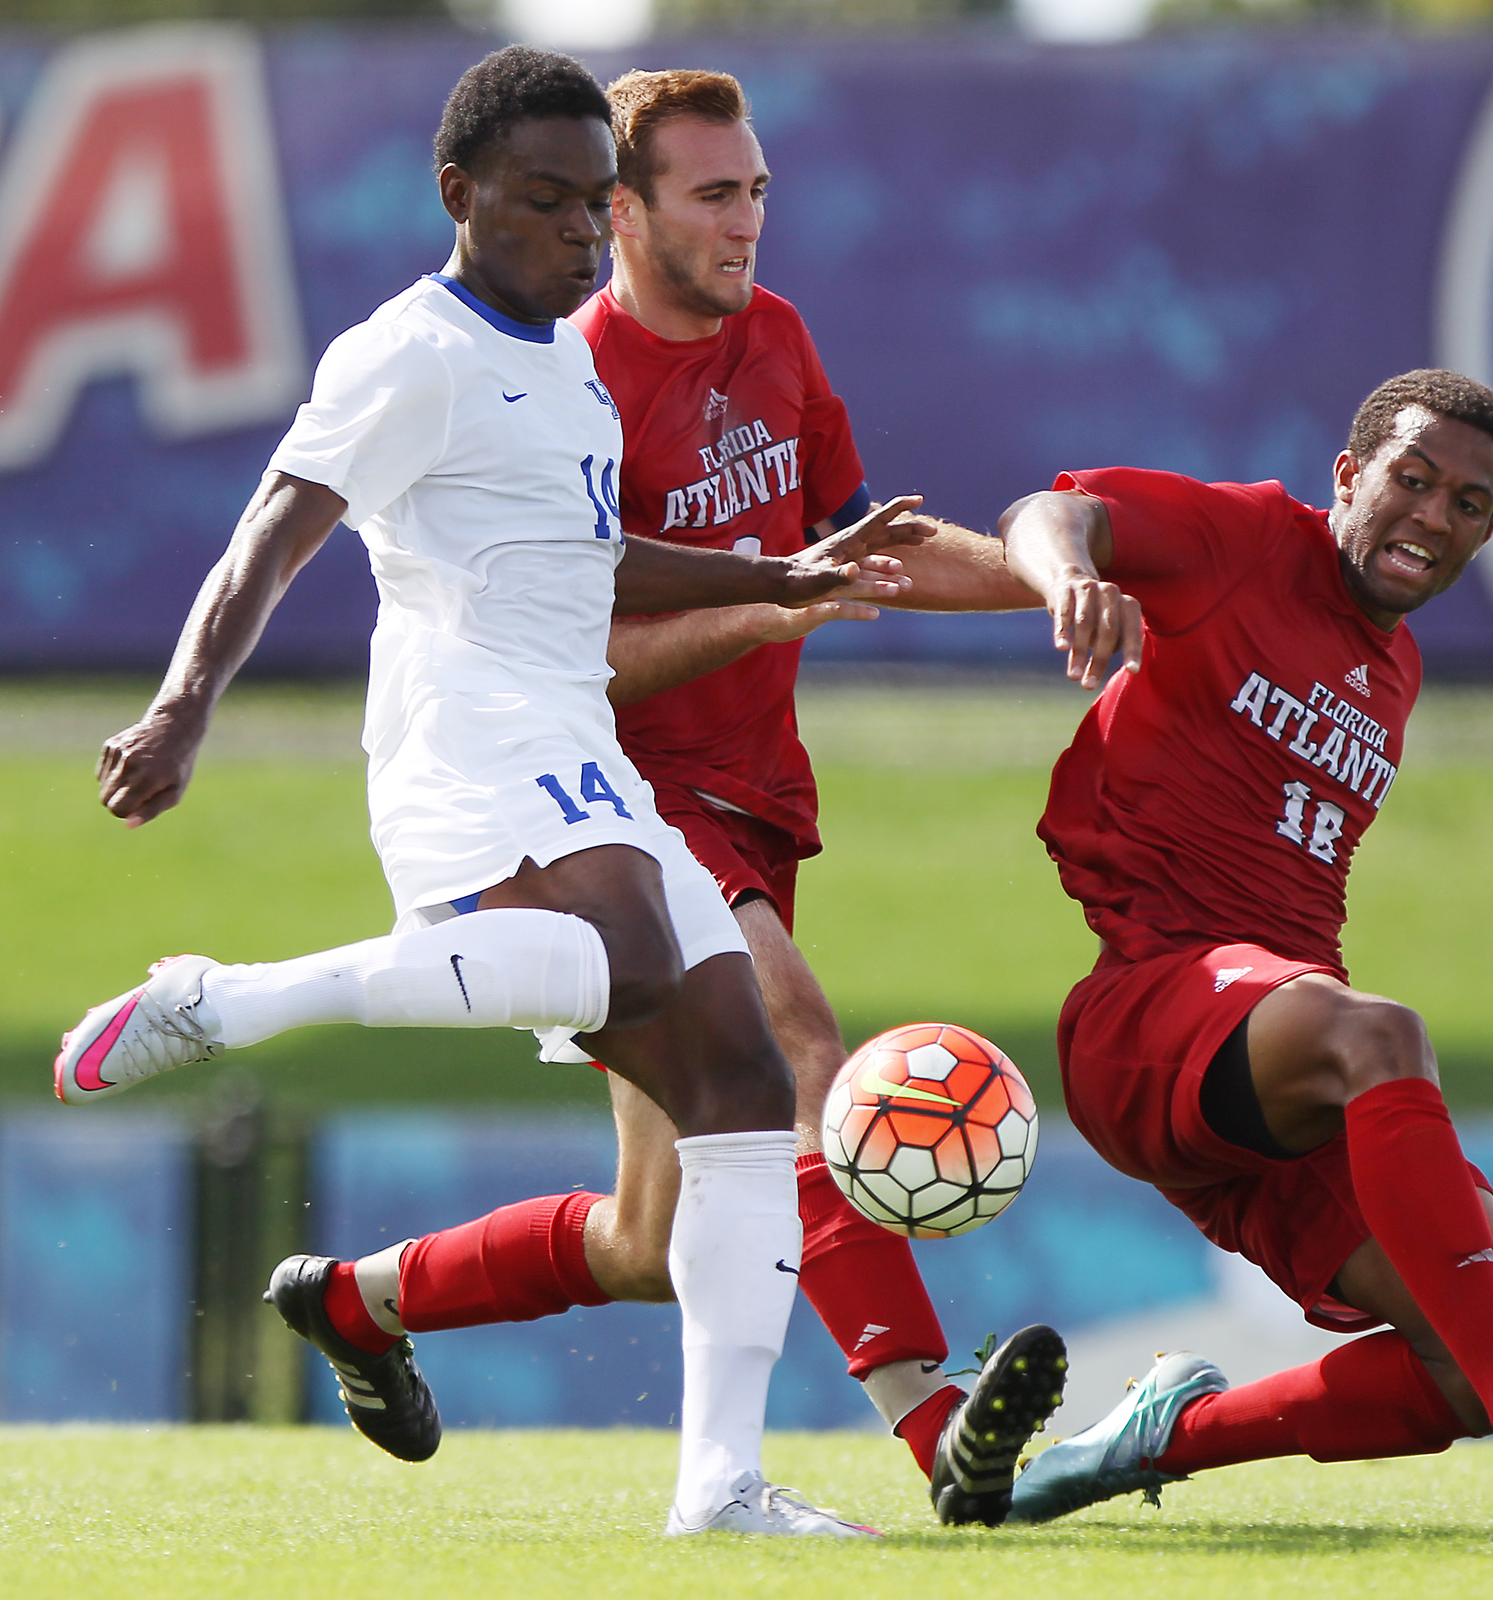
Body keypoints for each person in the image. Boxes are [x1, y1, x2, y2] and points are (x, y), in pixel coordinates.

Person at [55, 47, 919, 1538]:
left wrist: (778, 571)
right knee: (640, 960)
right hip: (467, 743)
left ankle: (720, 1486)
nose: (579, 233)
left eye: (595, 205)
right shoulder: (409, 354)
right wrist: (182, 708)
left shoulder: (567, 361)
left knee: (736, 1079)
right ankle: (231, 996)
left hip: (576, 741)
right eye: (545, 201)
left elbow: (591, 554)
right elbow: (273, 530)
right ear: (460, 195)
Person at [481, 66, 1047, 1527]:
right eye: (715, 196)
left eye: (759, 192)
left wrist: (1076, 587)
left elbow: (864, 556)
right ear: (624, 210)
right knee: (801, 1043)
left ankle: (356, 1302)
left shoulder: (776, 338)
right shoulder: (569, 388)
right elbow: (574, 659)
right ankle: (938, 1423)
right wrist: (770, 610)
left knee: (644, 1233)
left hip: (754, 801)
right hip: (606, 802)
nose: (748, 225)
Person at [992, 371, 1493, 1522]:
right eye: (1413, 479)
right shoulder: (1248, 539)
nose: (1435, 516)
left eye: (1469, 504)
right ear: (1348, 477)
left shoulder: (1396, 671)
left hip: (1273, 1066)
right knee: (1383, 1039)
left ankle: (1163, 1438)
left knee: (1470, 1358)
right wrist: (1075, 576)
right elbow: (1048, 517)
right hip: (1153, 1012)